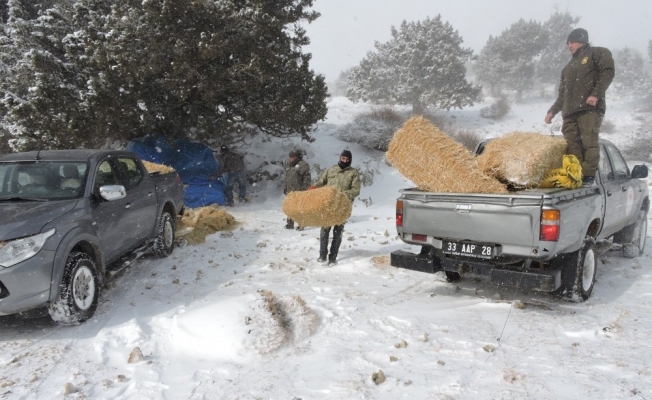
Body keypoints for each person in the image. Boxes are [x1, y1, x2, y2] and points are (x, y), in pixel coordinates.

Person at [544, 28, 615, 186]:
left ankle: (588, 176)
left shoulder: (597, 53)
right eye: (568, 43)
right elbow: (562, 94)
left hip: (589, 108)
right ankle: (575, 175)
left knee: (589, 142)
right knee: (571, 146)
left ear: (582, 40)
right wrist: (552, 111)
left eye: (573, 42)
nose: (569, 45)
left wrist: (595, 94)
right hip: (569, 113)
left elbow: (607, 73)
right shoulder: (567, 68)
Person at [313, 150, 360, 266]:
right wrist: (314, 187)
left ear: (350, 160)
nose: (345, 161)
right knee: (324, 230)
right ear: (340, 158)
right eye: (343, 158)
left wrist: (342, 194)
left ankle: (333, 257)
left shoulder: (353, 173)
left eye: (347, 159)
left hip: (342, 207)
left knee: (337, 232)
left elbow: (356, 190)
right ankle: (322, 255)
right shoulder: (331, 170)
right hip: (328, 205)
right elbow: (322, 181)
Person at [284, 149, 311, 230]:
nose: (291, 159)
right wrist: (285, 187)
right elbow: (287, 177)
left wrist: (304, 189)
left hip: (299, 190)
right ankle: (290, 223)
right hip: (290, 190)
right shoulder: (288, 164)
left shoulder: (303, 165)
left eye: (293, 157)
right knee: (290, 208)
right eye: (290, 157)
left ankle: (301, 224)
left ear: (297, 157)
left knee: (300, 208)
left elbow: (307, 178)